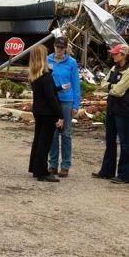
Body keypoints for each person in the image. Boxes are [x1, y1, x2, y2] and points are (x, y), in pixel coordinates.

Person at [27, 44, 64, 182]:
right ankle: (42, 171)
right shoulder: (46, 76)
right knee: (45, 142)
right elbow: (51, 98)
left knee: (38, 140)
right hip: (48, 112)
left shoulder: (34, 75)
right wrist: (60, 115)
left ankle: (35, 167)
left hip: (38, 110)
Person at [93, 43, 129, 183]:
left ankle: (124, 174)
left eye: (116, 53)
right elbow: (102, 83)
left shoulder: (128, 71)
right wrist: (111, 87)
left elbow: (118, 91)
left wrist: (110, 87)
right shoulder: (115, 68)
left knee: (125, 143)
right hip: (112, 109)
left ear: (124, 55)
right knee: (110, 141)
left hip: (124, 111)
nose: (113, 55)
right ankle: (107, 171)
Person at [47, 36, 81, 177]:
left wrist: (76, 104)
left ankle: (65, 165)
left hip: (67, 100)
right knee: (53, 133)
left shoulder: (71, 62)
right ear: (54, 46)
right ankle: (53, 164)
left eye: (62, 47)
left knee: (66, 134)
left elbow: (75, 83)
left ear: (66, 48)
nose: (59, 50)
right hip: (52, 100)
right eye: (57, 47)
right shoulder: (48, 60)